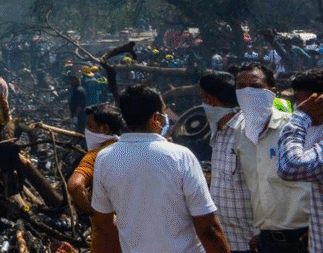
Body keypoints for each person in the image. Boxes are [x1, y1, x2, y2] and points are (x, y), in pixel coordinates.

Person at [91, 84, 228, 253]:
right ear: (156, 118)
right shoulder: (180, 156)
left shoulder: (104, 158)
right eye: (164, 111)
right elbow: (208, 228)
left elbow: (103, 222)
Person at [234, 63, 312, 253]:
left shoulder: (294, 128)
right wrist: (258, 231)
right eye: (241, 87)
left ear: (272, 91)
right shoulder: (241, 132)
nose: (247, 92)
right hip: (267, 240)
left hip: (304, 238)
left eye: (255, 86)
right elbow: (255, 185)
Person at [200, 70, 255, 253]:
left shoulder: (247, 131)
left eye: (203, 98)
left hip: (248, 240)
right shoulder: (219, 131)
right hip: (226, 240)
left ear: (210, 100)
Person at [67, 103, 125, 253]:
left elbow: (75, 186)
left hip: (107, 241)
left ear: (104, 129)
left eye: (90, 126)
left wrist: (92, 212)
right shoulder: (130, 151)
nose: (87, 130)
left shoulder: (96, 155)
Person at [277, 68, 323, 253]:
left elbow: (290, 166)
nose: (299, 106)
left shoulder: (300, 121)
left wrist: (300, 118)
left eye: (303, 102)